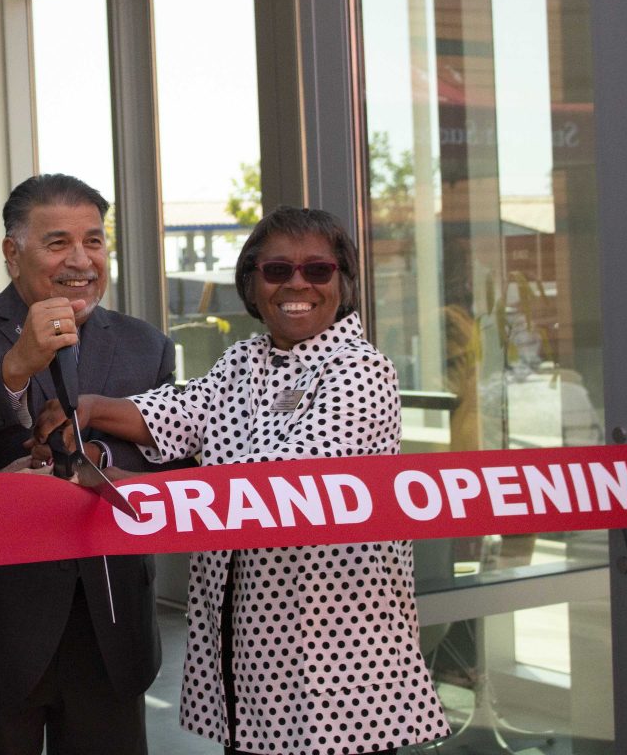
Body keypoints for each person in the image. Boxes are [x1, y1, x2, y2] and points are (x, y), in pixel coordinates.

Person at [34, 206, 451, 755]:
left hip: (343, 677)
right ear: (253, 283)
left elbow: (277, 488)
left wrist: (110, 481)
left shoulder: (361, 368)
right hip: (256, 668)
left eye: (318, 271)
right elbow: (179, 412)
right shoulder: (245, 360)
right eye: (277, 270)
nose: (297, 284)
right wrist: (87, 408)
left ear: (342, 283)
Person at [0, 173, 183, 755]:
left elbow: (172, 459)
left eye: (94, 240)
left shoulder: (146, 345)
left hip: (110, 630)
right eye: (57, 242)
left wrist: (102, 455)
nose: (81, 260)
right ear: (13, 254)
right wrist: (16, 365)